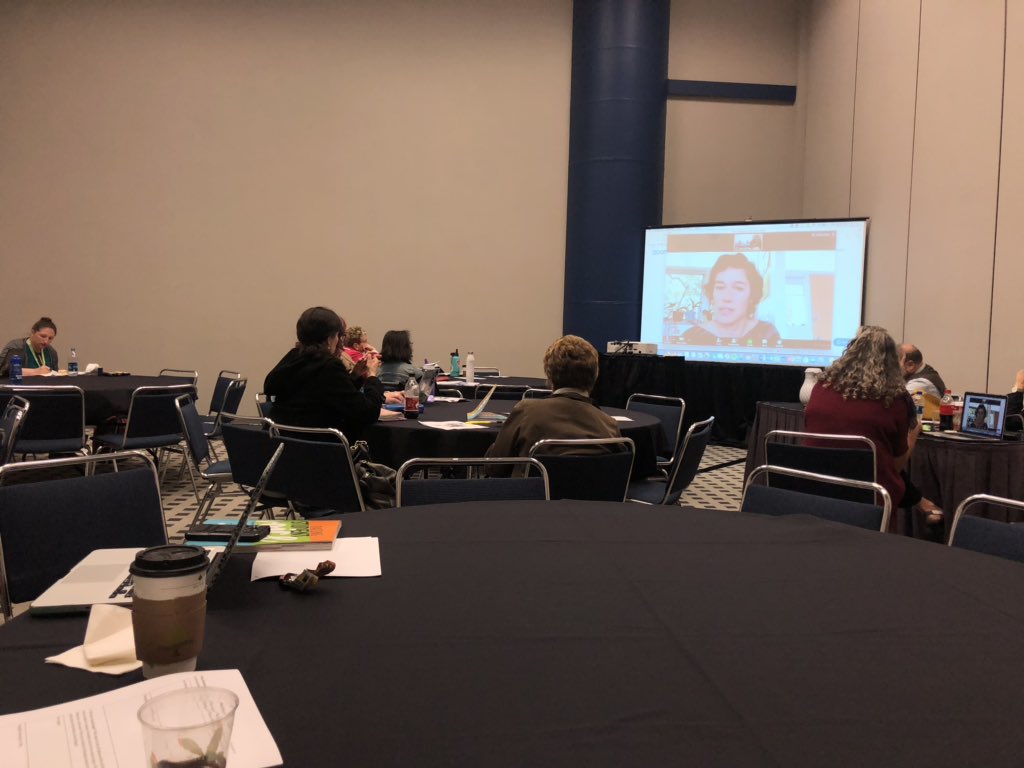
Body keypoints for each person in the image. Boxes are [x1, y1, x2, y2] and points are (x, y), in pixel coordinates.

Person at [804, 325, 941, 529]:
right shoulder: (894, 399)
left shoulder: (819, 388)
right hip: (869, 494)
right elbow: (895, 466)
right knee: (880, 465)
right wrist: (913, 434)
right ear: (893, 362)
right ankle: (922, 503)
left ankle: (920, 502)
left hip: (812, 485)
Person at [484, 335, 622, 474]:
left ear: (549, 375)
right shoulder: (609, 427)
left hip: (532, 495)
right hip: (594, 496)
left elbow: (495, 467)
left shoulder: (526, 412)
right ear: (595, 375)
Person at [264, 307, 385, 439]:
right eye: (338, 335)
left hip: (280, 447)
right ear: (329, 339)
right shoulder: (329, 365)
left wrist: (355, 376)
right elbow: (367, 413)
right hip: (320, 450)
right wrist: (372, 376)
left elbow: (323, 394)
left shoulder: (293, 358)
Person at [681, 253, 781, 346]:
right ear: (712, 294)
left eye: (738, 288)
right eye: (720, 287)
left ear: (751, 296)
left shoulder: (767, 333)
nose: (727, 298)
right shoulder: (691, 336)